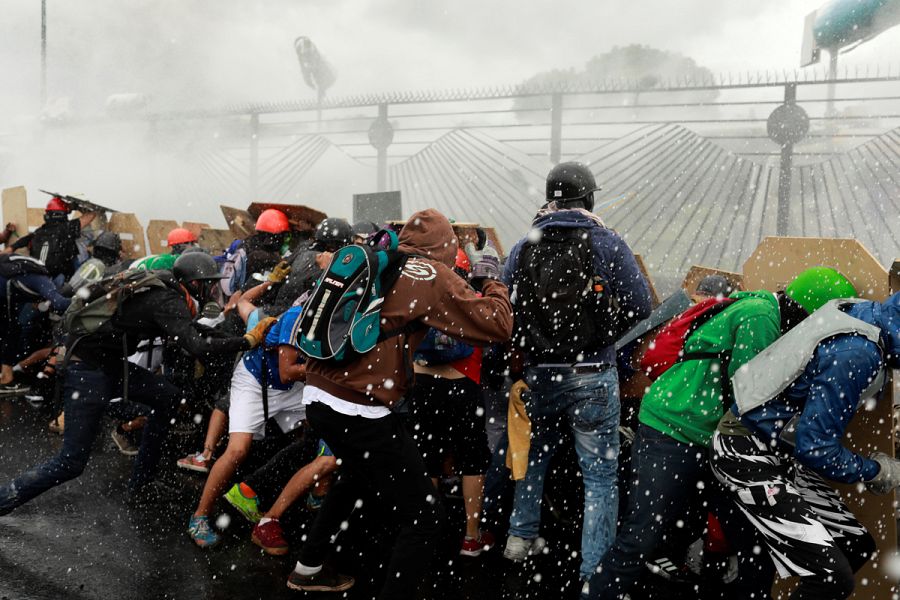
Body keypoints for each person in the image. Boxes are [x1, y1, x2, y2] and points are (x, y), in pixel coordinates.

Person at [585, 266, 858, 600]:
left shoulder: (763, 307)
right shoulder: (761, 317)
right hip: (673, 429)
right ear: (809, 314)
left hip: (708, 434)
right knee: (642, 535)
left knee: (750, 538)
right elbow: (749, 396)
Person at [287, 209, 513, 599]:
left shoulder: (381, 258)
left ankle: (308, 568)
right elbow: (498, 326)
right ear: (446, 247)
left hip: (318, 395)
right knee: (426, 516)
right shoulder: (432, 274)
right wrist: (491, 279)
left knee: (354, 476)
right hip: (359, 408)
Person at [0, 253, 275, 515]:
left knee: (167, 397)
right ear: (194, 283)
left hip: (104, 364)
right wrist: (247, 341)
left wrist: (242, 337)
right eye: (208, 285)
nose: (211, 291)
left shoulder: (165, 291)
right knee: (71, 462)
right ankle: (4, 499)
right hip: (87, 370)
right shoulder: (168, 300)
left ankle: (142, 483)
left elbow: (194, 332)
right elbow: (198, 345)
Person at [501, 162, 652, 581]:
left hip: (539, 373)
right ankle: (594, 572)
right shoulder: (606, 241)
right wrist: (604, 335)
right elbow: (641, 305)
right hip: (592, 372)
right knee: (600, 477)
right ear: (588, 198)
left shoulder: (525, 243)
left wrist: (535, 341)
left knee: (534, 456)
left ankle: (519, 538)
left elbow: (504, 304)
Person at [711, 290, 900, 600]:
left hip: (774, 444)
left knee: (855, 545)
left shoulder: (867, 317)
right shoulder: (859, 353)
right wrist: (876, 471)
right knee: (832, 578)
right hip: (743, 451)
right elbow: (816, 449)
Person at [187, 298, 308, 548]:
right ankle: (200, 516)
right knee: (237, 450)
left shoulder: (344, 317)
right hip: (255, 381)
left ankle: (295, 498)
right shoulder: (296, 315)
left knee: (315, 434)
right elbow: (287, 370)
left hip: (293, 387)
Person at [408, 248, 494, 557]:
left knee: (427, 457)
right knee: (472, 459)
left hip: (422, 383)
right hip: (463, 383)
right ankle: (471, 536)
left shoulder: (419, 294)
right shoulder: (472, 298)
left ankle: (429, 532)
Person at [0, 255, 70, 395]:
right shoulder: (43, 282)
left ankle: (6, 376)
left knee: (13, 328)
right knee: (10, 331)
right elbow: (60, 303)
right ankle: (6, 380)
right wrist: (85, 299)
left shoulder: (26, 275)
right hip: (3, 289)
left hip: (5, 287)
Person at [3, 196, 97, 280]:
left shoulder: (38, 232)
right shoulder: (67, 228)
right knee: (84, 240)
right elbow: (91, 214)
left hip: (41, 277)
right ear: (63, 214)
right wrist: (75, 207)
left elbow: (12, 248)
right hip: (64, 279)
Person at [132, 227, 198, 271]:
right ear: (181, 246)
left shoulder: (167, 258)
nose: (194, 246)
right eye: (192, 243)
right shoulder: (169, 262)